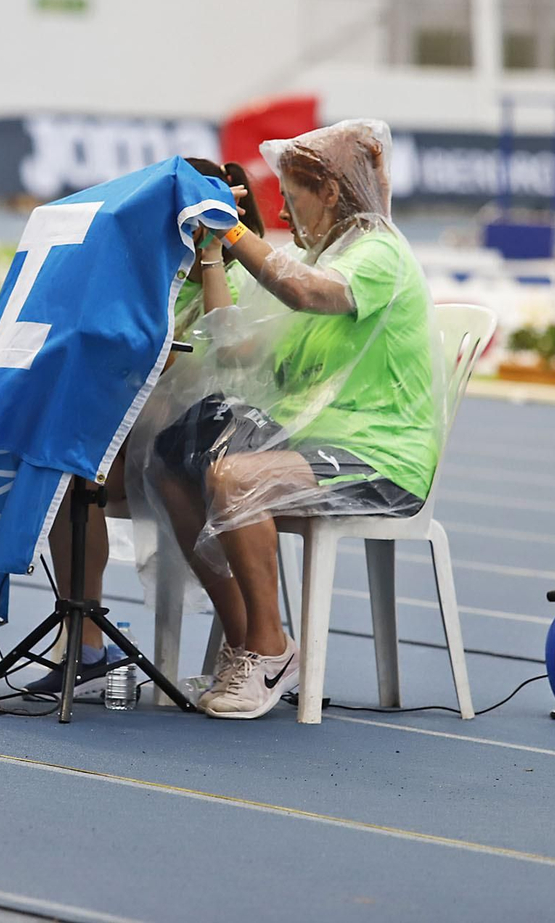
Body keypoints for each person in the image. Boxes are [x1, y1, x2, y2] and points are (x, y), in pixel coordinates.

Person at [134, 119, 446, 719]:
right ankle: (247, 642)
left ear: (330, 190)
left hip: (384, 457)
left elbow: (304, 293)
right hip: (321, 440)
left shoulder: (376, 252)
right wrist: (213, 248)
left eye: (291, 190)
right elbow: (234, 348)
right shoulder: (314, 256)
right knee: (175, 452)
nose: (278, 204)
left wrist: (232, 226)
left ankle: (272, 647)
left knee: (236, 478)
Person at [21, 158, 265, 695]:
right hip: (138, 448)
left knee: (72, 458)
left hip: (199, 457)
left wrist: (214, 253)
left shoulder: (247, 277)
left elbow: (218, 354)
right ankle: (84, 640)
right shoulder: (151, 276)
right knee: (66, 469)